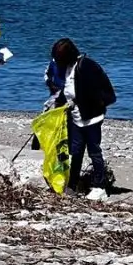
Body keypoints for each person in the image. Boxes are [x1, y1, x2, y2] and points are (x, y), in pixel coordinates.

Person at [52, 38, 116, 200]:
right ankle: (73, 185)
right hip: (76, 118)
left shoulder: (86, 66)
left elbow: (95, 91)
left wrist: (76, 101)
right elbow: (66, 90)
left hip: (92, 117)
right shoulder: (66, 68)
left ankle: (100, 187)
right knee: (76, 152)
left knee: (94, 151)